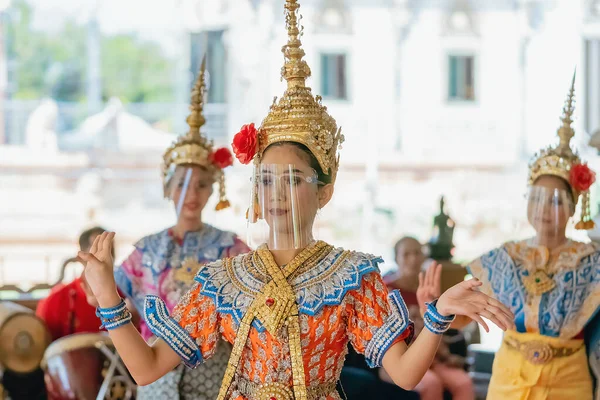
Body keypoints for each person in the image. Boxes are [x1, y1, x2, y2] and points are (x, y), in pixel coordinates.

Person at [79, 1, 514, 399]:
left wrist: (437, 315)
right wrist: (105, 292)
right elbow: (147, 367)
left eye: (292, 179)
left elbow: (403, 375)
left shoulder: (351, 275)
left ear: (324, 191)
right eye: (266, 180)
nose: (276, 194)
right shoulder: (224, 279)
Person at [95, 58, 250, 400]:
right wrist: (99, 279)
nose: (190, 195)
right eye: (181, 184)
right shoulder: (146, 250)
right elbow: (106, 300)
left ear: (213, 191)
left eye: (201, 186)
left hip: (214, 379)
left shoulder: (232, 249)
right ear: (167, 189)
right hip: (155, 378)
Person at [463, 75, 600, 400]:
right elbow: (466, 317)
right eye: (536, 199)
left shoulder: (592, 262)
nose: (543, 210)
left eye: (554, 202)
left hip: (569, 381)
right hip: (510, 377)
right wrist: (436, 309)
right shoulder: (502, 258)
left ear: (572, 209)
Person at [382, 237, 474, 400]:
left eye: (417, 253)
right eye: (406, 254)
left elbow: (440, 327)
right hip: (397, 360)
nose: (413, 259)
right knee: (432, 384)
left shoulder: (428, 289)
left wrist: (445, 355)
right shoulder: (386, 290)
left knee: (464, 383)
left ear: (424, 257)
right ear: (396, 258)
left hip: (433, 357)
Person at [36, 226, 110, 341]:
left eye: (110, 250)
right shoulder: (55, 301)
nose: (107, 257)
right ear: (81, 258)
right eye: (99, 250)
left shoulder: (126, 297)